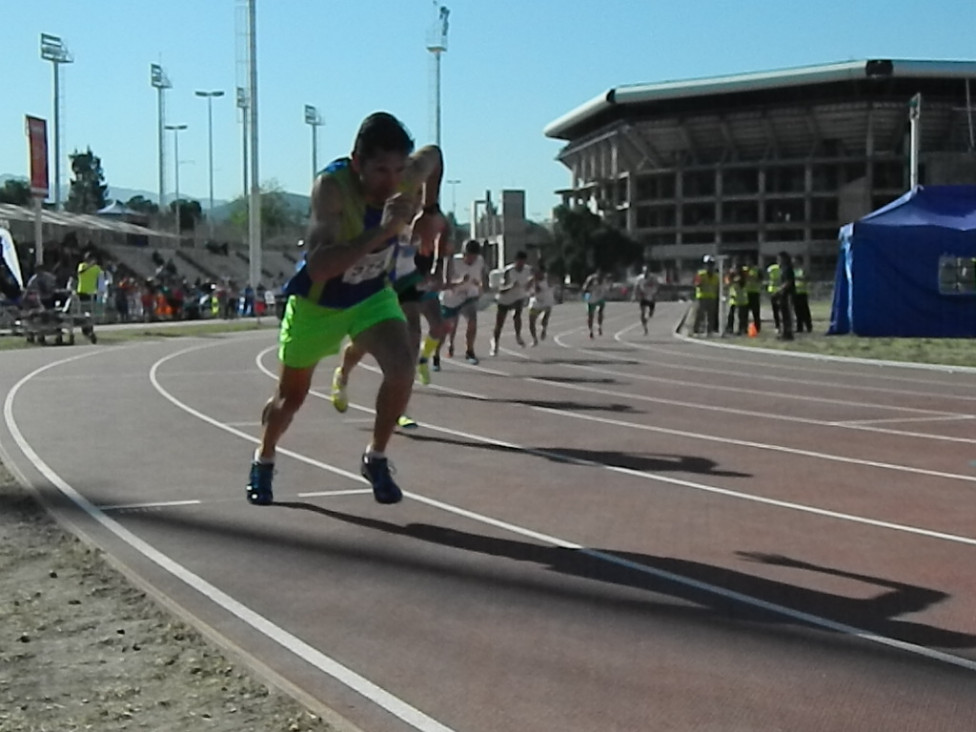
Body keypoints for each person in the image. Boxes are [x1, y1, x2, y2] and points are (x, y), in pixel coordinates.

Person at [247, 112, 445, 507]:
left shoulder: (406, 176)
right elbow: (319, 264)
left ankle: (376, 456)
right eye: (379, 171)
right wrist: (384, 232)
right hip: (320, 301)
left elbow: (435, 156)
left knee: (403, 367)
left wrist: (430, 210)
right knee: (290, 399)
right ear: (357, 164)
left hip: (371, 294)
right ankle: (264, 458)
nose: (390, 181)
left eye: (397, 170)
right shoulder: (331, 188)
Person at [332, 204, 449, 429]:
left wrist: (438, 268)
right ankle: (343, 373)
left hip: (409, 279)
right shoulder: (388, 212)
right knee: (364, 343)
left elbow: (445, 230)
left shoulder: (428, 214)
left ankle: (402, 406)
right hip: (383, 280)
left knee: (414, 335)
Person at [437, 238, 486, 366]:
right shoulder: (452, 262)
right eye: (470, 257)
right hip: (451, 298)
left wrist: (480, 286)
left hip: (468, 297)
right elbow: (444, 284)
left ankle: (469, 351)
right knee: (448, 328)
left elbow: (481, 277)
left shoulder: (480, 261)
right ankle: (439, 352)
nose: (472, 260)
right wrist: (460, 281)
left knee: (472, 320)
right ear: (464, 254)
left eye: (474, 257)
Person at [490, 250, 533, 356]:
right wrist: (511, 286)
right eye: (519, 262)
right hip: (504, 299)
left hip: (518, 297)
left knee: (517, 315)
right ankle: (495, 342)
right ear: (515, 261)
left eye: (523, 262)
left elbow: (531, 281)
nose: (521, 264)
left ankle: (518, 336)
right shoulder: (508, 271)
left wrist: (530, 284)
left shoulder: (528, 270)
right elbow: (501, 289)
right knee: (499, 323)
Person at [527, 264, 555, 346]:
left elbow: (539, 289)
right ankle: (534, 339)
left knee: (544, 319)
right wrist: (529, 291)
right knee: (531, 321)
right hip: (536, 301)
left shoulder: (547, 279)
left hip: (547, 301)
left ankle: (544, 328)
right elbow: (528, 289)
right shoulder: (531, 280)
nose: (536, 274)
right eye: (535, 273)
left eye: (538, 273)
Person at [691, 255, 719, 335]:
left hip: (712, 297)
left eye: (711, 264)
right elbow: (696, 284)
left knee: (711, 316)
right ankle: (695, 330)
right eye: (708, 264)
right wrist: (699, 283)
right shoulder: (701, 274)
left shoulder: (716, 276)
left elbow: (717, 287)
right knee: (700, 315)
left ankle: (709, 331)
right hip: (702, 297)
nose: (710, 266)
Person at [633, 264, 659, 335]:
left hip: (651, 297)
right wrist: (635, 295)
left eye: (647, 271)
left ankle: (646, 320)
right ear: (643, 271)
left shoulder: (653, 278)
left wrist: (655, 294)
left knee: (650, 314)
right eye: (644, 271)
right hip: (643, 297)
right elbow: (636, 287)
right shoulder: (639, 278)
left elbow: (657, 286)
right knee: (642, 313)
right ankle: (645, 328)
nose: (646, 273)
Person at [775, 251, 796, 341]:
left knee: (787, 314)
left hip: (788, 294)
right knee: (783, 314)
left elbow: (788, 282)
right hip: (784, 294)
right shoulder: (782, 269)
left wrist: (779, 290)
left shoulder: (787, 269)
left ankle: (788, 333)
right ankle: (784, 332)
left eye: (779, 259)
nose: (778, 261)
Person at [793, 262, 812, 333]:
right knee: (797, 311)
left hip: (803, 292)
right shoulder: (793, 271)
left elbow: (807, 278)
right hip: (795, 293)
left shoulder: (802, 270)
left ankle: (808, 326)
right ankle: (799, 327)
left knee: (805, 311)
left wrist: (799, 278)